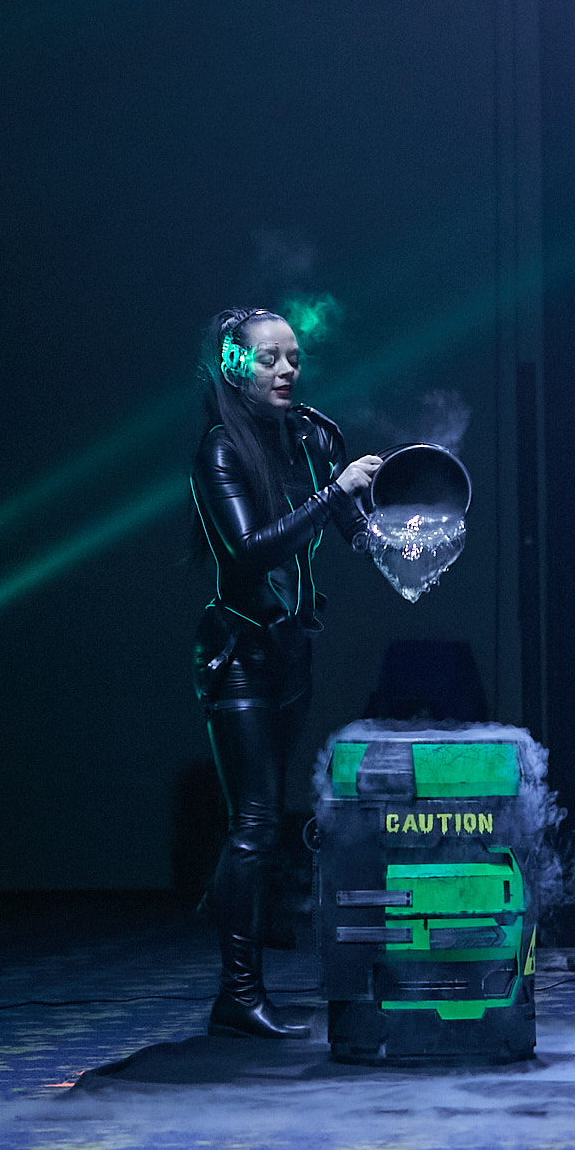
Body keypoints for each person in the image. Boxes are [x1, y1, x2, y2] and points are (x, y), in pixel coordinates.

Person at [189, 306, 382, 1038]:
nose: (287, 369)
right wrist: (334, 492)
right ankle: (238, 996)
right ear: (235, 367)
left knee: (264, 824)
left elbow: (351, 531)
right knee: (256, 821)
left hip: (290, 649)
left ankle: (239, 952)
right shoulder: (220, 450)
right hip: (238, 653)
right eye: (270, 358)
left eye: (294, 356)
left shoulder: (311, 436)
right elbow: (250, 550)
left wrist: (394, 528)